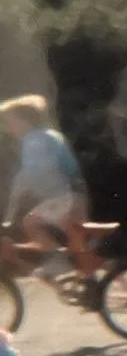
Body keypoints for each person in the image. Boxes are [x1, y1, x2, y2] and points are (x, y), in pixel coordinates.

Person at [0, 94, 88, 280]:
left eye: (11, 121)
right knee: (81, 251)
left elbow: (29, 175)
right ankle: (120, 287)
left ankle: (57, 263)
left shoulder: (34, 140)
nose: (9, 127)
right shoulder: (49, 135)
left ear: (25, 120)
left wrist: (9, 213)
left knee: (30, 223)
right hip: (74, 195)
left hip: (63, 198)